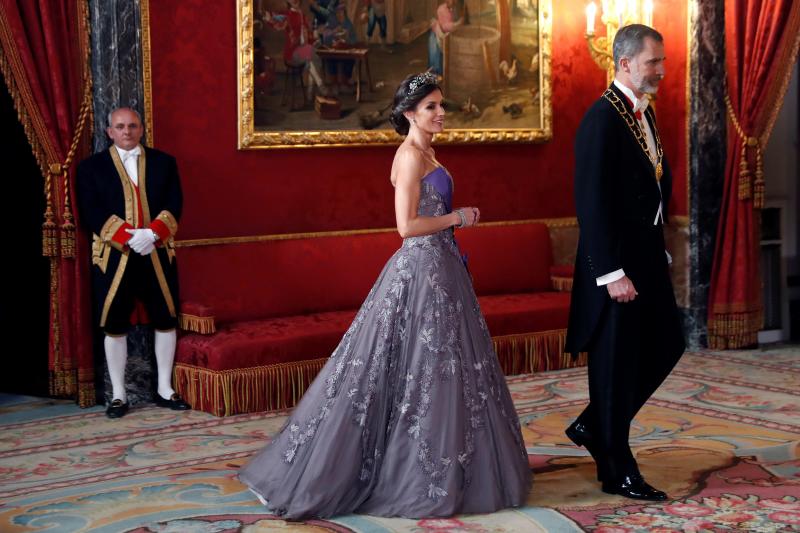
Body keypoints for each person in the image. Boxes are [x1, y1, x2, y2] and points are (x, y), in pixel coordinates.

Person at [238, 72, 532, 519]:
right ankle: (392, 473)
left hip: (441, 269)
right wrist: (459, 217)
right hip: (422, 268)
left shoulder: (426, 152)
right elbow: (406, 227)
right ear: (409, 113)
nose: (440, 113)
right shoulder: (411, 156)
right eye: (431, 107)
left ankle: (448, 465)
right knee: (413, 370)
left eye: (440, 105)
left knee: (439, 372)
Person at [564, 24, 685, 501]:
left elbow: (653, 183)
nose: (660, 70)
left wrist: (657, 246)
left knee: (666, 343)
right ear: (625, 63)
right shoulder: (602, 118)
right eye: (653, 62)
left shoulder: (643, 114)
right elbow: (591, 202)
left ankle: (596, 427)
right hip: (614, 265)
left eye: (662, 61)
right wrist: (610, 272)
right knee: (615, 365)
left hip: (646, 255)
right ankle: (618, 467)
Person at [77, 107, 190, 419]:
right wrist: (128, 237)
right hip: (114, 258)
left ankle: (165, 388)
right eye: (120, 127)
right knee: (114, 324)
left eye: (132, 125)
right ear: (109, 131)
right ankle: (118, 394)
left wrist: (153, 234)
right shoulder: (91, 168)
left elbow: (174, 203)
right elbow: (92, 211)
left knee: (165, 318)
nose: (126, 131)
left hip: (157, 253)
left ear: (141, 129)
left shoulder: (164, 163)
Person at [428, 0, 460, 76]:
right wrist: (457, 24)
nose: (451, 2)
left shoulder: (454, 9)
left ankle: (441, 73)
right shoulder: (441, 9)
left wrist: (457, 24)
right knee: (435, 55)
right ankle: (435, 73)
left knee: (443, 55)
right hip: (437, 34)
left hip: (445, 34)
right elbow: (444, 26)